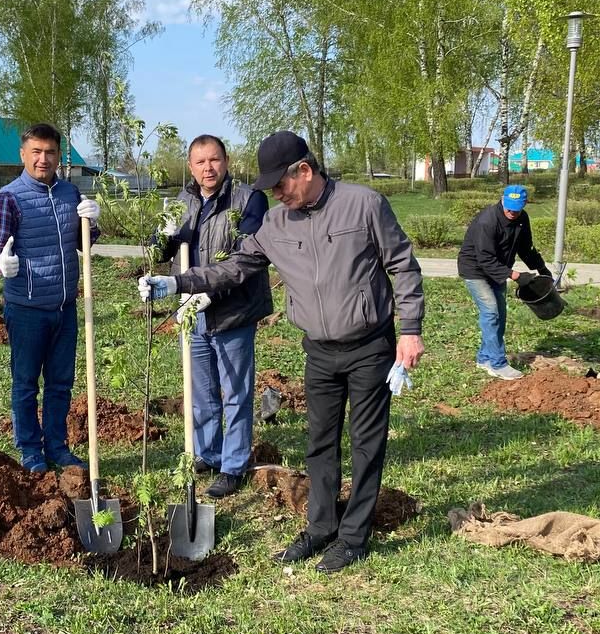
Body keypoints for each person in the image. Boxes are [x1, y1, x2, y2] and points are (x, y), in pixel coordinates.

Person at [138, 131, 424, 574]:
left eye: (280, 186)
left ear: (304, 171)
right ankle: (320, 526)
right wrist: (178, 283)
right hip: (319, 350)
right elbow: (235, 266)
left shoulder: (363, 204)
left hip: (370, 345)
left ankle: (352, 538)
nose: (274, 194)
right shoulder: (275, 224)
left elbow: (402, 263)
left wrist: (410, 330)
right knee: (319, 443)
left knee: (366, 444)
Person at [150, 134, 271, 498]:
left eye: (214, 160)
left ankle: (234, 465)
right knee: (201, 391)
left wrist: (205, 292)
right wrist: (163, 236)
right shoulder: (183, 202)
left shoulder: (249, 201)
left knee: (235, 391)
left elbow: (245, 262)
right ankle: (208, 452)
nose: (208, 168)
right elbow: (160, 254)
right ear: (190, 166)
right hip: (192, 313)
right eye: (200, 162)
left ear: (227, 161)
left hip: (233, 310)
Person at [0, 123, 101, 473]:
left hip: (64, 307)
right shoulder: (10, 196)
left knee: (60, 383)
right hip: (26, 309)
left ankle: (57, 445)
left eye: (50, 152)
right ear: (23, 154)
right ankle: (31, 451)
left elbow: (84, 243)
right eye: (36, 152)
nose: (43, 159)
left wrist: (92, 224)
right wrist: (0, 263)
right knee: (25, 384)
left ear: (58, 155)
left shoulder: (70, 192)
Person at [456, 184, 552, 381]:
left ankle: (484, 358)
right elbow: (485, 259)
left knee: (500, 313)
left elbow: (526, 248)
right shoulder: (488, 221)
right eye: (509, 207)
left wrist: (542, 268)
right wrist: (515, 275)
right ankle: (498, 364)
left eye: (516, 208)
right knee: (491, 311)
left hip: (498, 269)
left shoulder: (522, 219)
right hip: (475, 269)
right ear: (502, 200)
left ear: (524, 204)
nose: (511, 212)